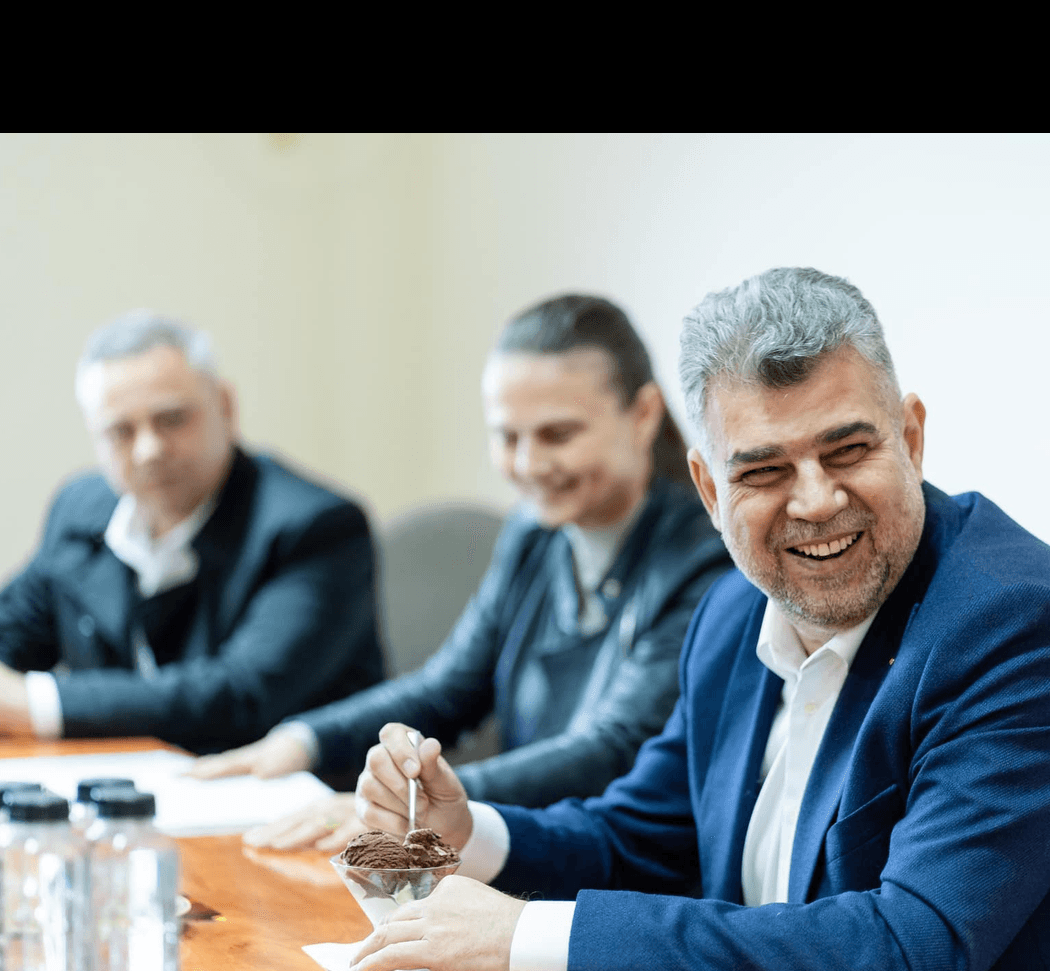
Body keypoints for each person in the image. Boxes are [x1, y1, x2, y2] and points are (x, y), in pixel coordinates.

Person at [341, 267, 1050, 971]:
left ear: (912, 438)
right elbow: (646, 837)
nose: (815, 500)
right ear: (708, 488)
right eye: (764, 470)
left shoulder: (1018, 632)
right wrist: (470, 834)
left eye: (848, 450)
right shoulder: (732, 614)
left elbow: (906, 956)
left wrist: (529, 936)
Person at [194, 294, 731, 849]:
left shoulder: (708, 561)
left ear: (643, 415)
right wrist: (302, 741)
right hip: (526, 849)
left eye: (558, 435)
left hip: (614, 864)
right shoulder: (533, 533)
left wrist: (426, 806)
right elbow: (449, 688)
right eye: (508, 436)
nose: (528, 464)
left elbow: (613, 749)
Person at [0, 312, 383, 754]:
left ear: (226, 407)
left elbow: (243, 694)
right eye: (121, 431)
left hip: (297, 803)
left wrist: (30, 703)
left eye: (172, 420)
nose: (149, 450)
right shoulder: (83, 509)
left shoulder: (315, 527)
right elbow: (11, 628)